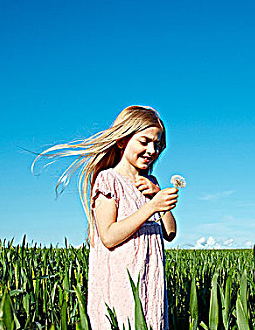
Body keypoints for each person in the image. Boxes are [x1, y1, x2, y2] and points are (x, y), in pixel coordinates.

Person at [34, 106, 178, 329]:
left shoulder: (152, 183)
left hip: (150, 282)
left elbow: (170, 233)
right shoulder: (108, 180)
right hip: (121, 283)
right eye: (144, 141)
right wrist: (151, 208)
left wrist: (158, 198)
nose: (152, 150)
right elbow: (108, 236)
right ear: (122, 141)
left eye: (157, 144)